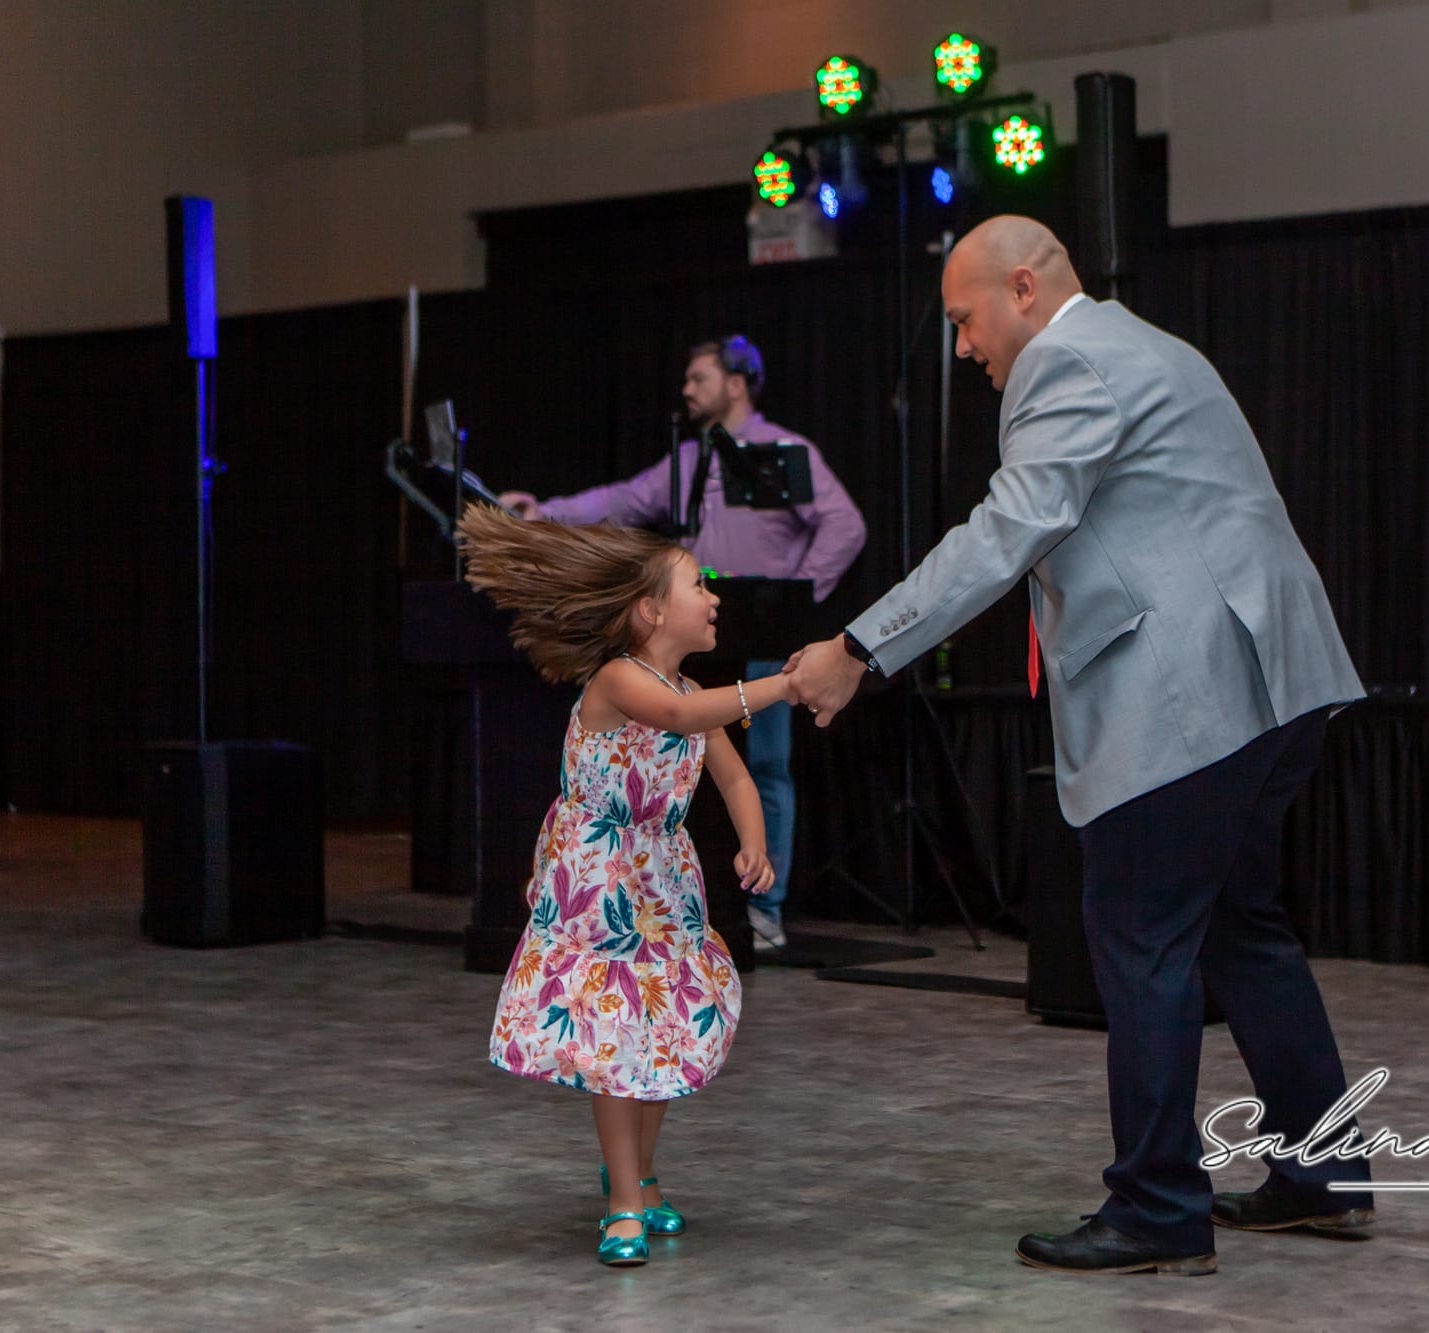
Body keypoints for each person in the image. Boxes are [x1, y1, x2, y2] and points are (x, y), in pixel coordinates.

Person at [786, 217, 1376, 1276]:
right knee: (1239, 928)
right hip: (1275, 676)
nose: (962, 347)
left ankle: (1156, 1206)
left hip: (1193, 691)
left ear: (1022, 288)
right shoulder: (1148, 344)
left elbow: (1008, 531)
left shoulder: (1066, 362)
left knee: (1139, 939)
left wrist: (860, 646)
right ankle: (1321, 1173)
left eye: (965, 320)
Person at [457, 501, 798, 1267]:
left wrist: (754, 842)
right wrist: (779, 685)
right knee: (615, 1030)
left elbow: (736, 777)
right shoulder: (621, 680)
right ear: (649, 610)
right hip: (601, 874)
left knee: (662, 1026)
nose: (714, 595)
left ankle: (639, 1175)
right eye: (696, 584)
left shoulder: (693, 692)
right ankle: (620, 1201)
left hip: (660, 876)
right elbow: (679, 715)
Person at [502, 336, 865, 951]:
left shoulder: (784, 452)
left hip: (757, 626)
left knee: (765, 763)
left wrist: (793, 591)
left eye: (700, 378)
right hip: (695, 642)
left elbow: (845, 526)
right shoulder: (691, 460)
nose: (688, 390)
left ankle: (762, 909)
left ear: (737, 382)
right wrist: (547, 511)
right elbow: (621, 500)